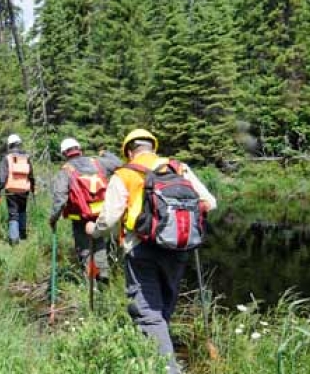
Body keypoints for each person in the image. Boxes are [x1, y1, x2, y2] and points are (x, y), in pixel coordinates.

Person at [88, 129, 217, 374]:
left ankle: (166, 368)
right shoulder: (179, 168)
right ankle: (158, 353)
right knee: (164, 305)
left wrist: (93, 230)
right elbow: (210, 203)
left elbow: (109, 219)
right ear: (153, 147)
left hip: (141, 249)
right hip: (179, 246)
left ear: (128, 151)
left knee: (148, 311)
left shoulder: (124, 174)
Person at [48, 138, 121, 282]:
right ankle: (103, 275)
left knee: (85, 248)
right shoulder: (98, 162)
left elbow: (60, 198)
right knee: (99, 242)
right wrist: (105, 153)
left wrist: (53, 218)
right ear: (79, 149)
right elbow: (118, 164)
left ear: (64, 154)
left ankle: (90, 281)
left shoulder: (66, 170)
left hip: (80, 216)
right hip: (101, 213)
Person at [0, 134, 35, 245]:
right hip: (24, 190)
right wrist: (33, 188)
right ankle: (22, 235)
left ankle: (14, 240)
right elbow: (31, 175)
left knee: (13, 214)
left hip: (11, 190)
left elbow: (2, 178)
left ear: (10, 145)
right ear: (19, 144)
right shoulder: (26, 157)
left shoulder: (7, 158)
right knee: (22, 211)